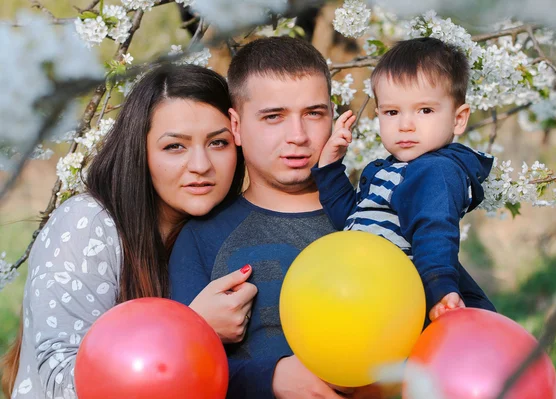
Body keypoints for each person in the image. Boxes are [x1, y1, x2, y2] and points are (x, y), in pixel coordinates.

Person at [1, 64, 259, 399]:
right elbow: (61, 384)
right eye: (175, 147)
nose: (201, 165)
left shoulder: (222, 232)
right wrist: (191, 329)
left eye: (218, 143)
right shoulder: (88, 224)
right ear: (141, 150)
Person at [169, 37, 355, 399]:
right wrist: (272, 378)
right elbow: (180, 369)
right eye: (274, 117)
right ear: (236, 126)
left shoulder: (377, 218)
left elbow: (460, 323)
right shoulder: (201, 237)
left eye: (314, 113)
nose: (298, 136)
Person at [311, 37, 496, 323]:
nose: (405, 124)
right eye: (392, 112)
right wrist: (330, 168)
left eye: (425, 110)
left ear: (459, 119)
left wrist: (440, 289)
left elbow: (434, 229)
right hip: (367, 298)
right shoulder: (390, 170)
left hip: (407, 299)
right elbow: (352, 219)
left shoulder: (436, 171)